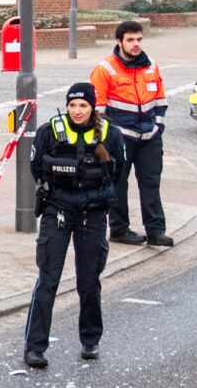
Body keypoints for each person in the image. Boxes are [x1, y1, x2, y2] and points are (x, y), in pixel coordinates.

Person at [23, 82, 129, 369]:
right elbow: (36, 169)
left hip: (92, 214)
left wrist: (98, 199)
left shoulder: (110, 133)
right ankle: (34, 348)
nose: (77, 111)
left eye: (83, 106)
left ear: (92, 107)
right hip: (57, 210)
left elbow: (119, 173)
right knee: (48, 279)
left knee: (89, 280)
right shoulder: (50, 131)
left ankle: (90, 341)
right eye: (73, 105)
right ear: (67, 106)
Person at [91, 20, 171, 247]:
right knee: (118, 184)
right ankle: (119, 229)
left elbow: (160, 101)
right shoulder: (104, 69)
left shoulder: (151, 66)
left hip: (149, 136)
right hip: (121, 137)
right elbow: (98, 110)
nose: (136, 44)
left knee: (151, 183)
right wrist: (105, 141)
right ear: (119, 42)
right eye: (130, 40)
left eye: (139, 39)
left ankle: (156, 232)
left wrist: (158, 127)